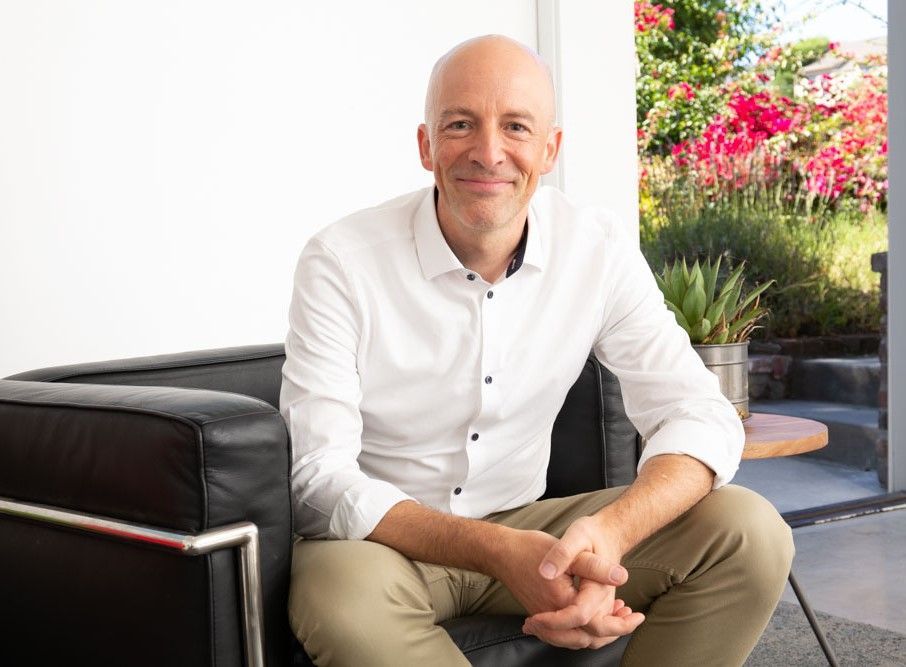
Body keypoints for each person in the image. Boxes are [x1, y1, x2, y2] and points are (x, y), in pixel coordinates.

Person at [280, 35, 793, 666]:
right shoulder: (340, 260)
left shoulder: (595, 248)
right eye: (460, 124)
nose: (489, 152)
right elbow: (318, 479)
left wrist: (609, 534)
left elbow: (699, 413)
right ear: (426, 145)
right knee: (338, 598)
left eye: (516, 127)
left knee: (750, 531)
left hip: (532, 525)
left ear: (550, 149)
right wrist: (497, 550)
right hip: (386, 547)